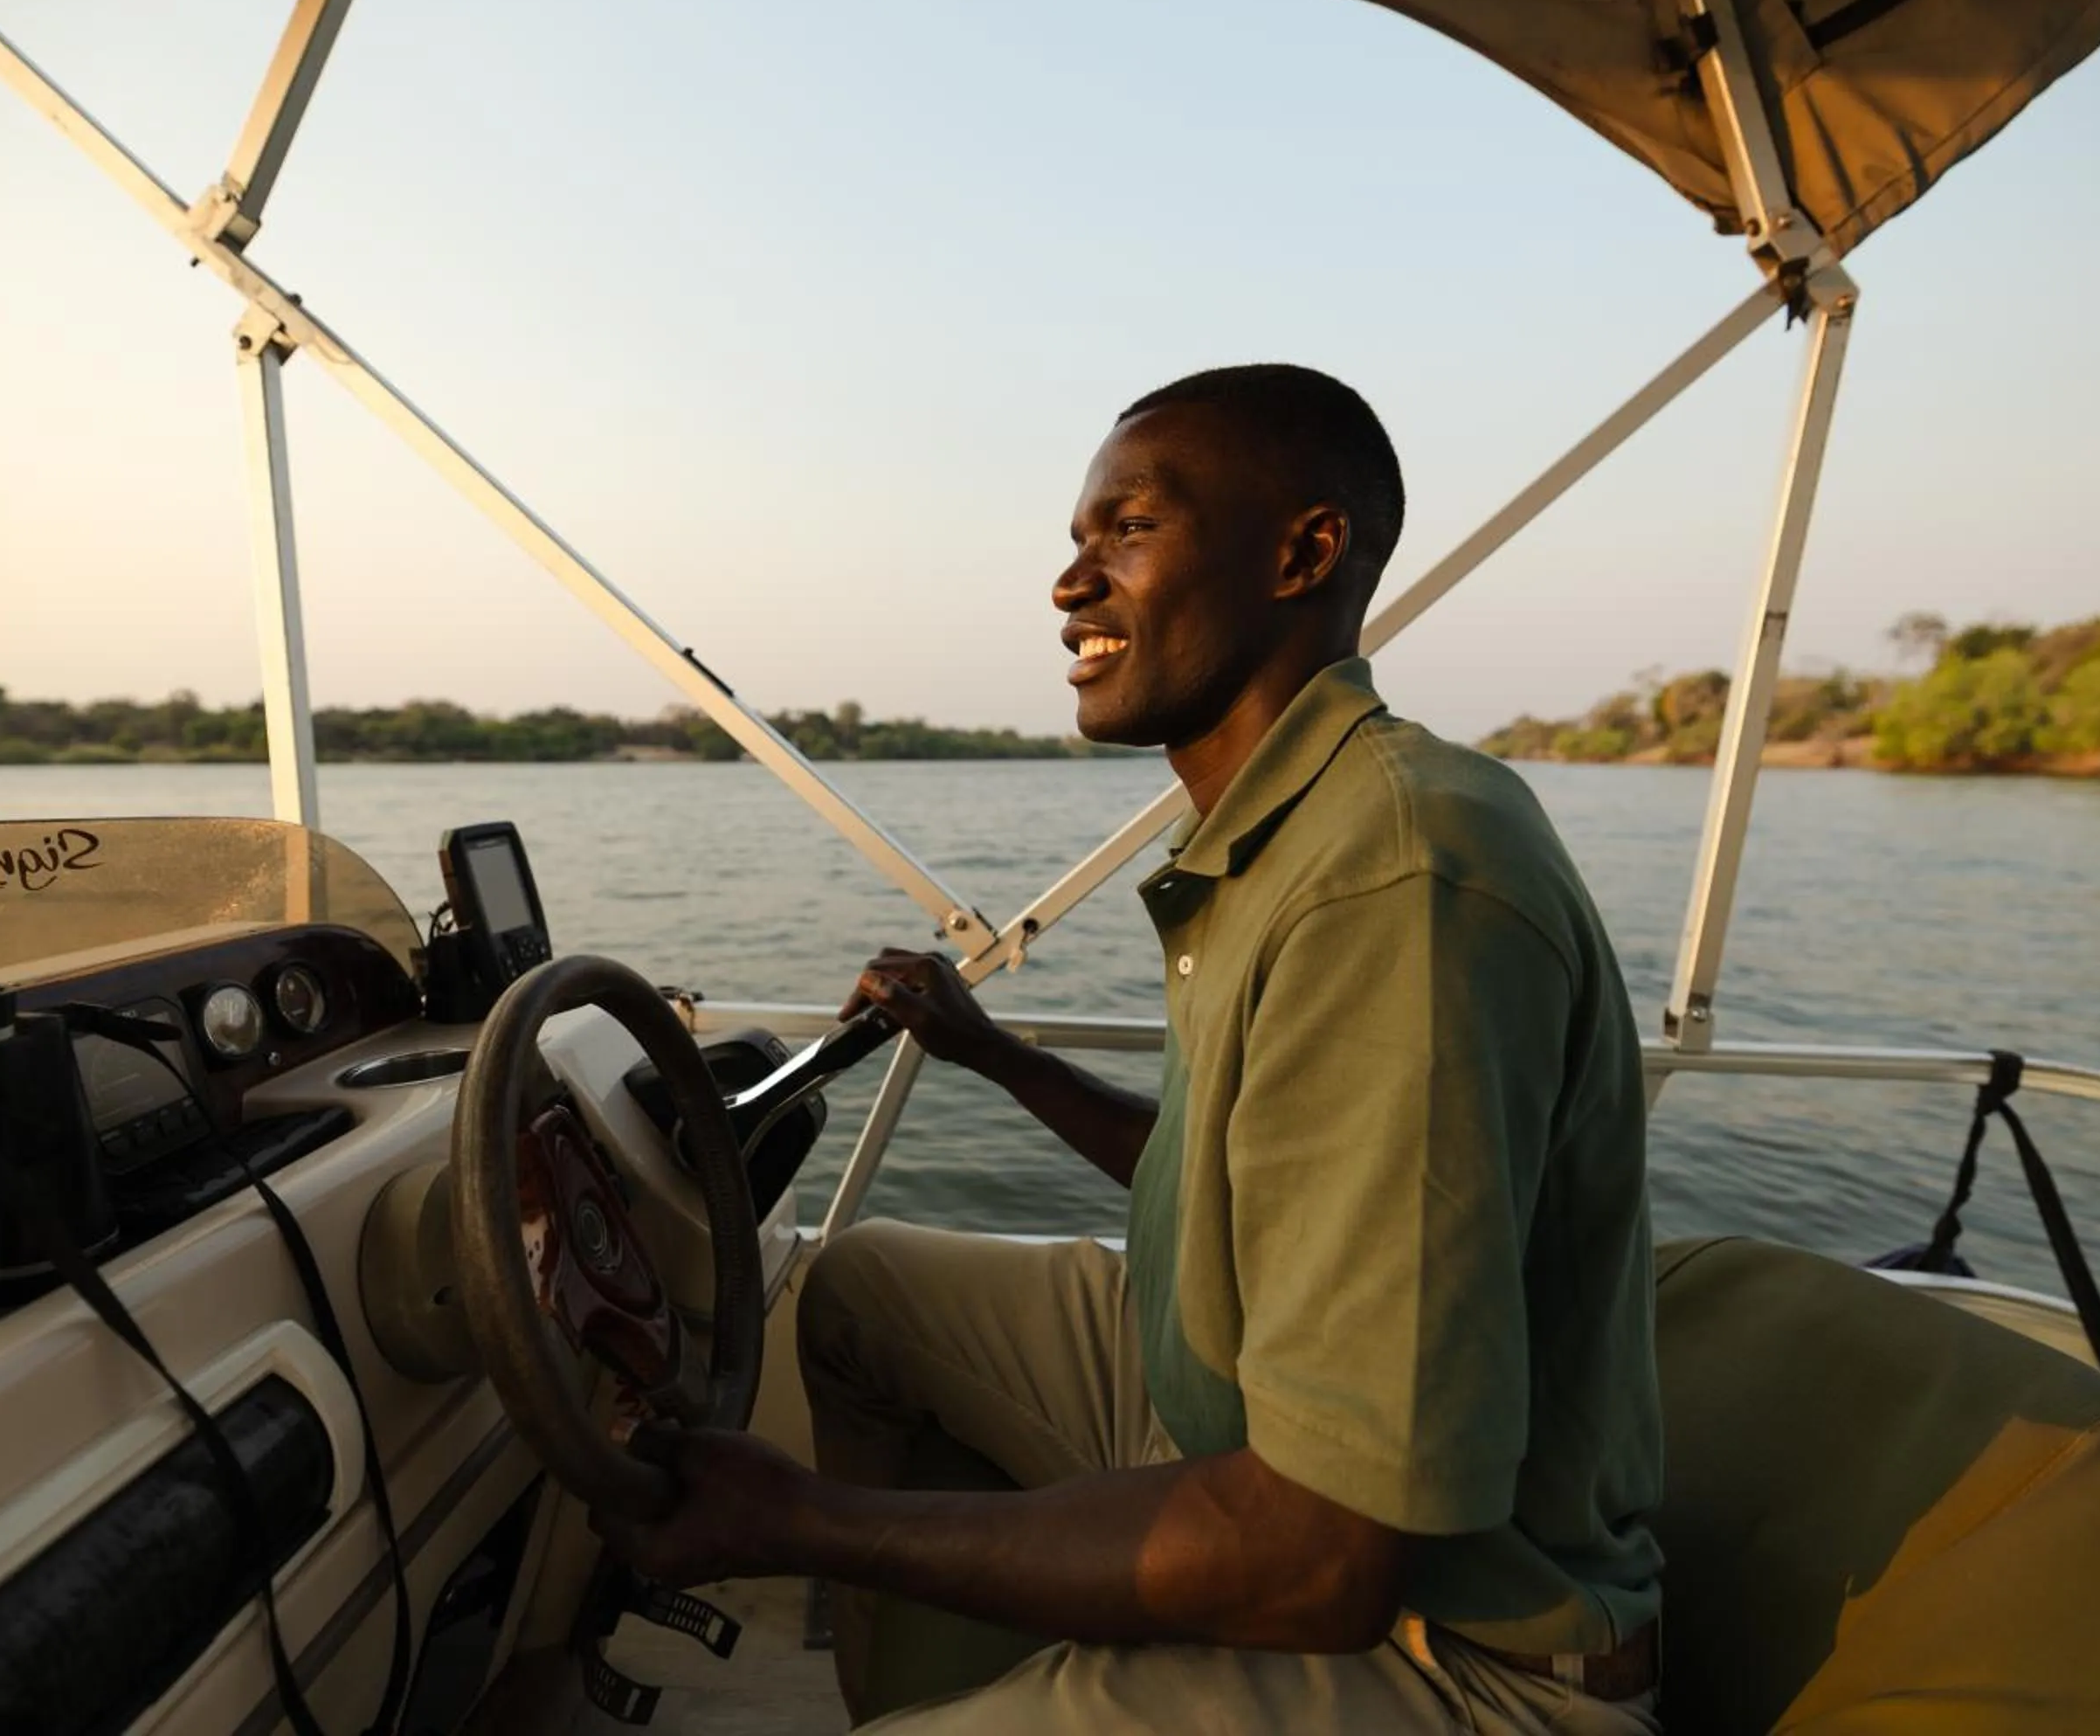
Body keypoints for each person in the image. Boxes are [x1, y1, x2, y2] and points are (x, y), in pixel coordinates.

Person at [611, 364, 1664, 1733]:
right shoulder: (1287, 830)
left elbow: (1324, 1552)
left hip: (1451, 1639)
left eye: (1128, 531)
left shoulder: (1395, 878)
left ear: (1304, 551)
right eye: (1074, 541)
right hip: (1230, 1422)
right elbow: (1231, 1185)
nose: (1070, 583)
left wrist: (804, 1520)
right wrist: (993, 1056)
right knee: (861, 1297)